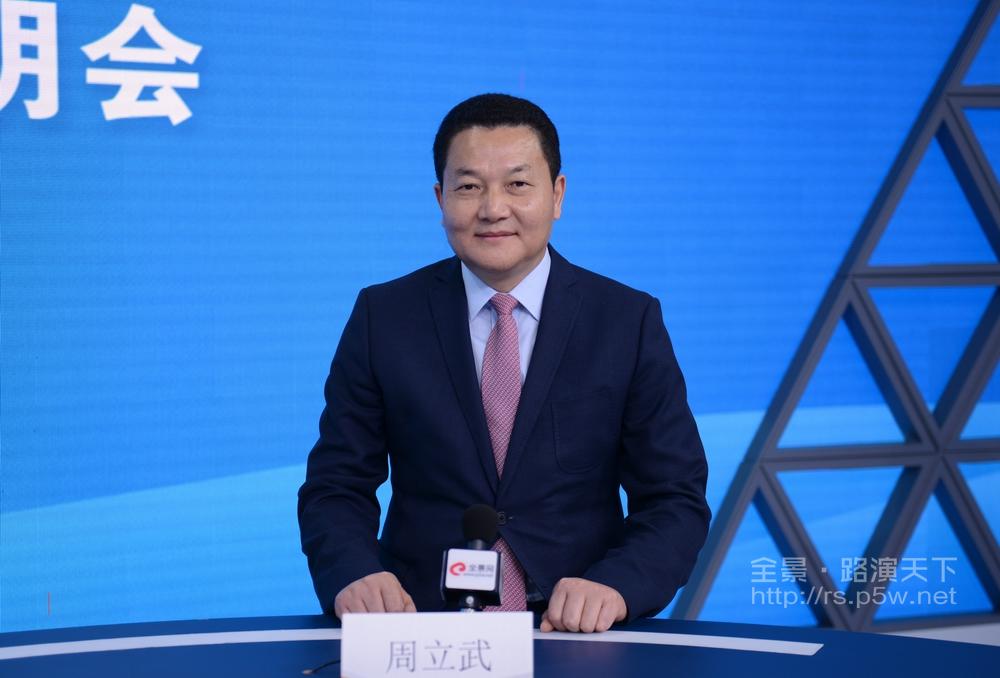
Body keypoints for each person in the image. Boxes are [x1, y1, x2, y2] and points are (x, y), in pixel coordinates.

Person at [298, 93, 710, 634]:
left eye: (517, 184)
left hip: (575, 632)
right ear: (440, 198)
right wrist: (355, 573)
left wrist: (617, 586)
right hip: (421, 630)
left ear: (557, 194)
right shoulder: (385, 317)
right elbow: (336, 486)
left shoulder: (626, 321)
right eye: (469, 187)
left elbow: (674, 498)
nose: (493, 209)